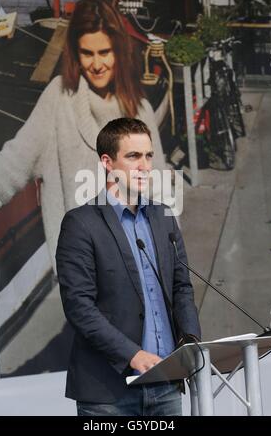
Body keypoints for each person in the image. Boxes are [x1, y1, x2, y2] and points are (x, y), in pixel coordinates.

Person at [0, 0, 172, 270]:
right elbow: (9, 167)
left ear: (118, 51)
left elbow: (159, 194)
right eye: (87, 53)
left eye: (104, 52)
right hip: (82, 281)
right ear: (76, 54)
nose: (96, 64)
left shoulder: (139, 111)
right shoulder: (58, 99)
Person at [56, 118, 201, 416]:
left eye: (148, 156)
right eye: (133, 156)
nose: (145, 166)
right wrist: (132, 354)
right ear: (107, 162)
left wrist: (191, 343)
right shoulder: (80, 223)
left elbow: (181, 287)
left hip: (167, 383)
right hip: (109, 394)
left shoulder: (163, 216)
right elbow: (79, 307)